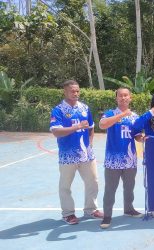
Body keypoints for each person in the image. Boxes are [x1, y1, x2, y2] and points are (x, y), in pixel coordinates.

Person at [49, 80, 103, 225]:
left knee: (93, 182)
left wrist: (90, 143)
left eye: (77, 91)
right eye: (72, 91)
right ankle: (68, 214)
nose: (76, 93)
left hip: (87, 155)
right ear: (65, 92)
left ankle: (91, 209)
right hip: (68, 156)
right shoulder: (58, 110)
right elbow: (56, 132)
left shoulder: (84, 108)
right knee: (65, 186)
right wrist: (77, 127)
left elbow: (91, 127)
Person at [98, 87, 146, 229]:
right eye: (120, 95)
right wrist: (122, 115)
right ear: (116, 98)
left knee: (129, 187)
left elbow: (136, 135)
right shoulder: (110, 113)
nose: (123, 98)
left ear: (130, 98)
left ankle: (129, 209)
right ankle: (107, 216)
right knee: (110, 189)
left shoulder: (135, 116)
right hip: (113, 160)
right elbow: (102, 125)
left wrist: (142, 138)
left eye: (126, 95)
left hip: (130, 159)